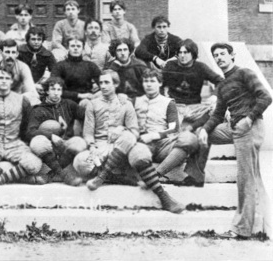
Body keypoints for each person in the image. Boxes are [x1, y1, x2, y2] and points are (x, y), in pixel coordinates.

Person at [74, 70, 185, 214]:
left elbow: (134, 131)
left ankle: (103, 176)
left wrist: (121, 129)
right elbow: (88, 133)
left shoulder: (126, 103)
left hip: (122, 146)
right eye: (101, 83)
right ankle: (117, 177)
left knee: (130, 139)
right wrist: (92, 146)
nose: (103, 86)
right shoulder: (93, 104)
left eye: (107, 82)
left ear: (116, 84)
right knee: (80, 162)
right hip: (100, 147)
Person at [197, 43, 272, 239]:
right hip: (234, 128)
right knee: (202, 134)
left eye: (223, 54)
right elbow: (218, 114)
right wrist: (205, 130)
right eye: (216, 55)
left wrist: (249, 119)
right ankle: (195, 173)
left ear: (232, 56)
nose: (219, 58)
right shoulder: (222, 84)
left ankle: (241, 230)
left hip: (249, 127)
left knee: (244, 179)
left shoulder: (244, 73)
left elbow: (265, 97)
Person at [162, 39, 224, 187]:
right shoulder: (170, 66)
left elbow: (221, 81)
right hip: (174, 106)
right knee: (173, 133)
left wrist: (214, 95)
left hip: (194, 107)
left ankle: (195, 175)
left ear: (193, 54)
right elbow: (158, 82)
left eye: (186, 52)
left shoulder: (200, 67)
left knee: (210, 117)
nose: (182, 56)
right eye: (180, 53)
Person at [0, 66, 44, 186]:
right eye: (1, 77)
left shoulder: (23, 101)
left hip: (15, 145)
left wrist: (25, 146)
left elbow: (27, 127)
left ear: (12, 81)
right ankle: (21, 178)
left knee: (34, 164)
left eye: (7, 78)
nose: (3, 81)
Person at [134, 69, 199, 185]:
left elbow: (174, 129)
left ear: (160, 83)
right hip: (141, 145)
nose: (149, 84)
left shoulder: (168, 102)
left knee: (190, 140)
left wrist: (154, 135)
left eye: (152, 81)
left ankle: (157, 174)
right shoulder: (136, 101)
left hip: (162, 145)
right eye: (146, 81)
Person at [28, 77, 87, 185]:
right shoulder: (38, 109)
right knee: (37, 142)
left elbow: (88, 115)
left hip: (65, 144)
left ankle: (49, 175)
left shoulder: (69, 104)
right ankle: (64, 175)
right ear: (46, 91)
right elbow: (30, 131)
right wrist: (51, 136)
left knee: (80, 143)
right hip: (48, 147)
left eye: (59, 90)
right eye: (53, 89)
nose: (56, 93)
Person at [0, 39, 38, 104]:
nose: (10, 56)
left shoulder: (23, 67)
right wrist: (2, 96)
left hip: (16, 102)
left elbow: (33, 93)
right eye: (7, 52)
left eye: (13, 52)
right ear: (1, 53)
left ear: (17, 54)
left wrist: (12, 97)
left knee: (35, 101)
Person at [51, 37, 101, 104]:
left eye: (78, 46)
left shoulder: (90, 66)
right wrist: (79, 95)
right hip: (65, 101)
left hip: (87, 101)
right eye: (72, 46)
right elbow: (54, 88)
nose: (75, 48)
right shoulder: (59, 66)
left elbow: (103, 83)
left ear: (83, 49)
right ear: (67, 48)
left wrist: (95, 95)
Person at [17, 26, 56, 96]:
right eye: (33, 39)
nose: (36, 42)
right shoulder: (20, 51)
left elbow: (55, 72)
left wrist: (44, 84)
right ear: (28, 40)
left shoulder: (47, 54)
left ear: (42, 40)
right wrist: (30, 85)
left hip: (38, 84)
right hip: (20, 83)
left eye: (39, 39)